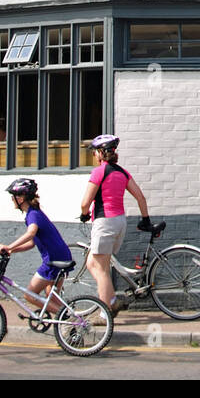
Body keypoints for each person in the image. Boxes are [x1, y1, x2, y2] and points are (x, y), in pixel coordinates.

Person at [79, 134, 152, 314]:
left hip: (105, 222)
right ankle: (112, 300)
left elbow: (85, 203)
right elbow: (140, 197)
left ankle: (106, 313)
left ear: (101, 153)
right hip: (120, 222)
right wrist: (145, 220)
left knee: (100, 269)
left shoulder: (99, 172)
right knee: (94, 264)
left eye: (95, 152)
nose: (94, 155)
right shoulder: (122, 172)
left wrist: (84, 214)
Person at [0, 178, 74, 320]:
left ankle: (68, 320)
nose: (12, 200)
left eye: (13, 197)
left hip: (53, 260)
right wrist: (12, 250)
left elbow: (31, 233)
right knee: (52, 296)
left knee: (30, 295)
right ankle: (71, 325)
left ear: (21, 198)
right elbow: (32, 243)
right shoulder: (34, 213)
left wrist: (9, 246)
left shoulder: (33, 214)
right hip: (60, 255)